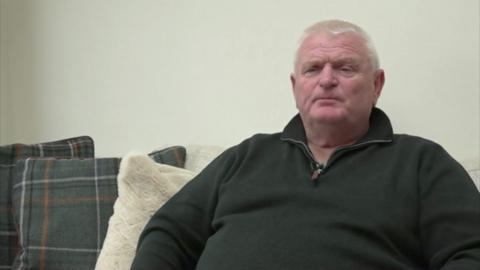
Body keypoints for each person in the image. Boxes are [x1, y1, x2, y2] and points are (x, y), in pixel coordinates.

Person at [131, 20, 480, 270]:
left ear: (377, 84)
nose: (327, 79)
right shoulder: (247, 155)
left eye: (345, 67)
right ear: (296, 86)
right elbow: (169, 232)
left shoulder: (422, 162)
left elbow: (471, 251)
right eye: (314, 69)